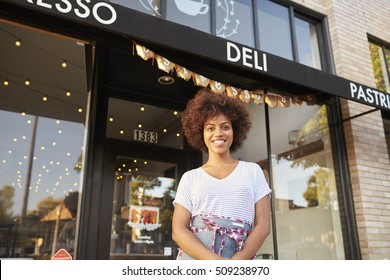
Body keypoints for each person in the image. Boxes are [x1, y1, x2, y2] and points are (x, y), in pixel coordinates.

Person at [172, 88, 272, 260]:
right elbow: (178, 230)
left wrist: (235, 263)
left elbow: (263, 225)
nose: (218, 133)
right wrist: (217, 263)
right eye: (210, 128)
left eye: (225, 127)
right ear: (200, 133)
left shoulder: (253, 171)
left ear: (235, 131)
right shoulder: (190, 178)